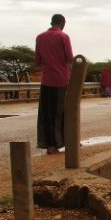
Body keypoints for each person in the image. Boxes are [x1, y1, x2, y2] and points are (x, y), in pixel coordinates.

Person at [35, 14, 73, 155]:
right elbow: (70, 58)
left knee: (47, 113)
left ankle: (50, 145)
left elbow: (37, 61)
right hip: (61, 80)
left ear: (51, 22)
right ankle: (66, 141)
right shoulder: (63, 37)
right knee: (62, 112)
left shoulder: (40, 37)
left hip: (46, 80)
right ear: (63, 23)